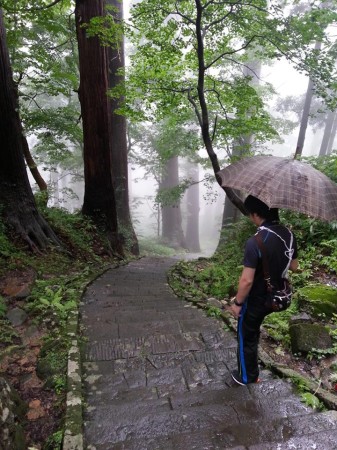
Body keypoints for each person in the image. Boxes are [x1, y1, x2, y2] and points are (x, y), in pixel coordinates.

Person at [230, 195, 298, 385]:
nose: (251, 218)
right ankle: (252, 372)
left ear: (256, 214)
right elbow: (294, 267)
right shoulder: (289, 235)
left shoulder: (256, 241)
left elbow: (246, 281)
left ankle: (247, 376)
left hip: (258, 299)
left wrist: (237, 304)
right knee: (253, 329)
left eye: (250, 214)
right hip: (278, 297)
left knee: (246, 334)